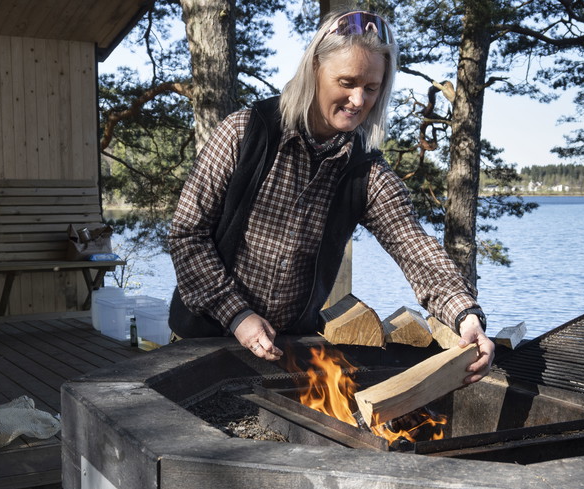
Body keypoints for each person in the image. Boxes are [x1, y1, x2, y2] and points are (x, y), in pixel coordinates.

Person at [167, 10, 495, 383]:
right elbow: (186, 235)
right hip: (201, 339)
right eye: (347, 82)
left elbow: (413, 246)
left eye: (371, 88)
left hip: (284, 350)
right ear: (314, 70)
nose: (358, 100)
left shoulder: (365, 171)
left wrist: (466, 316)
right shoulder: (245, 132)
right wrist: (237, 314)